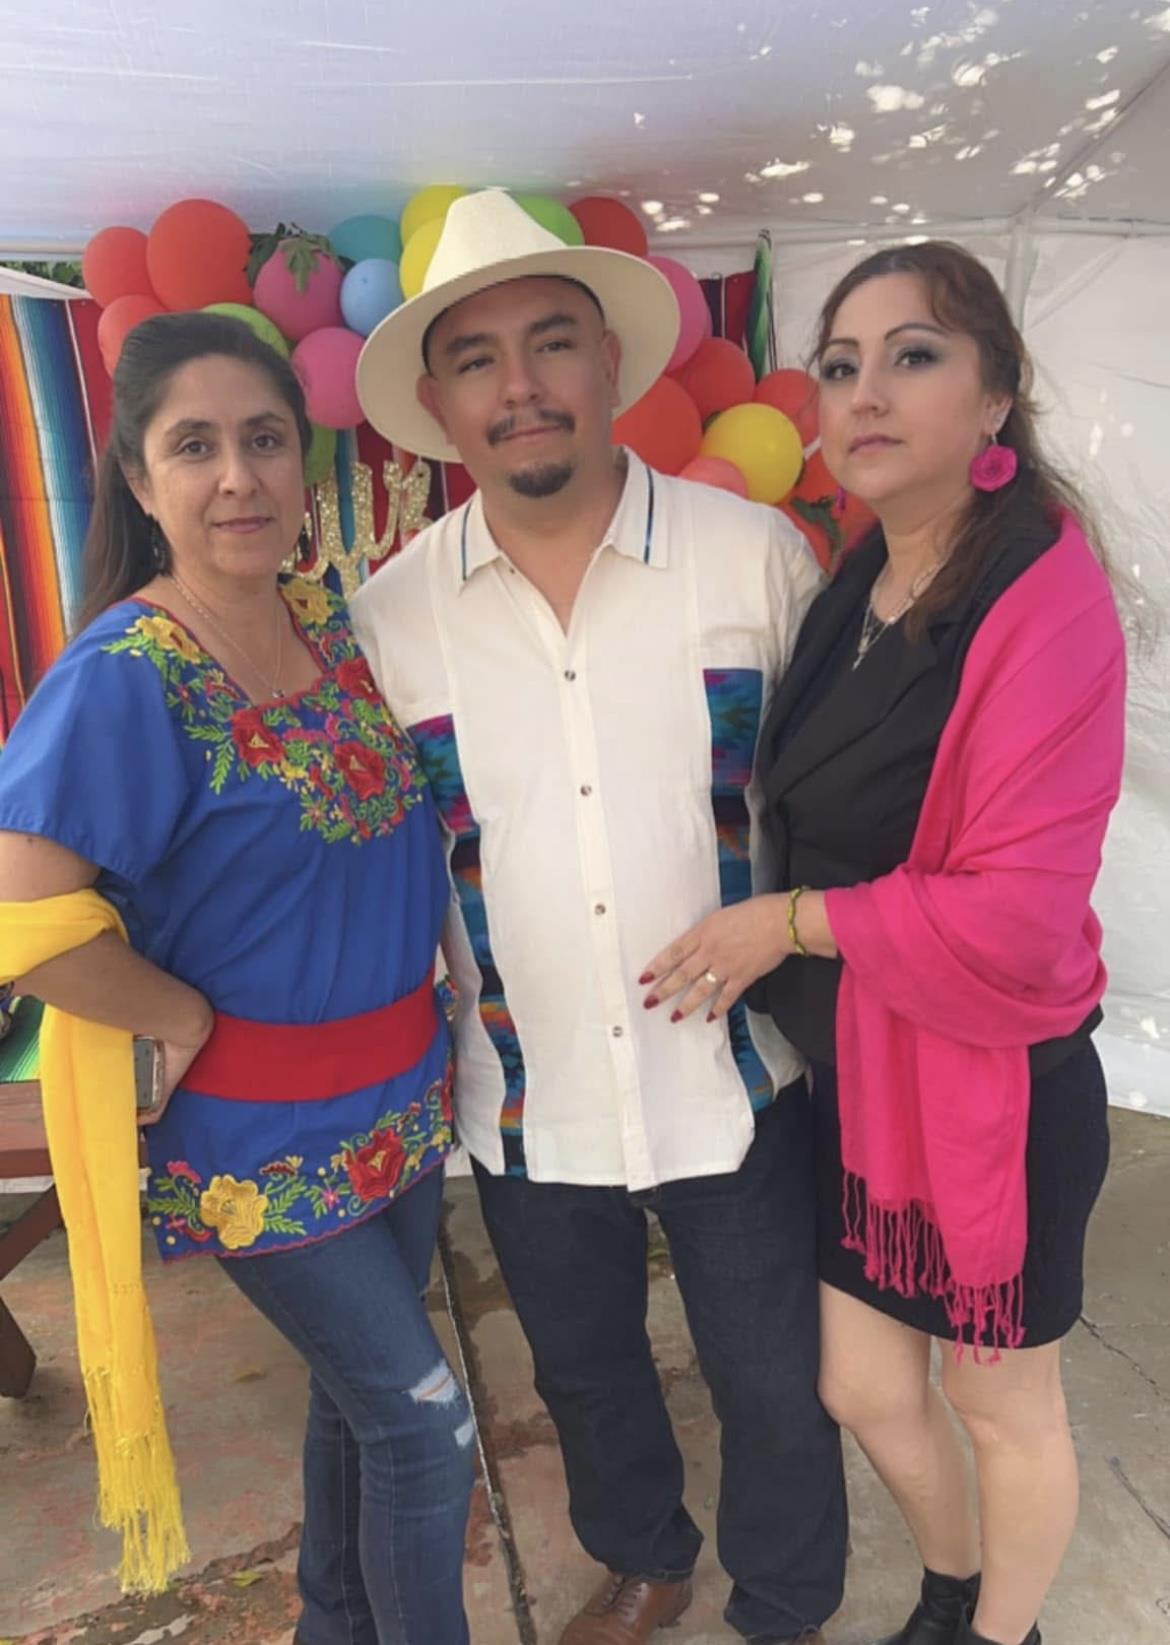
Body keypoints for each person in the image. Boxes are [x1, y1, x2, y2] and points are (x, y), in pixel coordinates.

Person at [350, 188, 845, 1645]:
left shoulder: (752, 558)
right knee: (580, 1366)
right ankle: (641, 1553)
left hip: (738, 1075)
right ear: (436, 404)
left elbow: (844, 801)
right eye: (479, 359)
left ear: (610, 366)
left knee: (771, 1367)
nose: (520, 386)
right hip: (527, 1084)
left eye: (551, 342)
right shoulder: (393, 618)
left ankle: (785, 1598)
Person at [641, 242, 1126, 1645]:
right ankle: (961, 1581)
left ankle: (994, 1632)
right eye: (839, 364)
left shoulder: (1041, 599)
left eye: (911, 355)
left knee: (997, 1396)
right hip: (866, 1062)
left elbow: (1018, 915)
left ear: (994, 398)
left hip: (992, 1080)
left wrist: (781, 923)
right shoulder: (856, 577)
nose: (862, 391)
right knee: (860, 1383)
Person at [0, 313, 472, 1644]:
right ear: (141, 484)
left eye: (264, 439)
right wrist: (177, 1013)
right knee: (426, 1428)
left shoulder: (331, 627)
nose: (237, 477)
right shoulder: (124, 679)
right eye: (193, 446)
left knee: (355, 1407)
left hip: (401, 1109)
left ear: (303, 461)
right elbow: (17, 917)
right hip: (260, 1142)